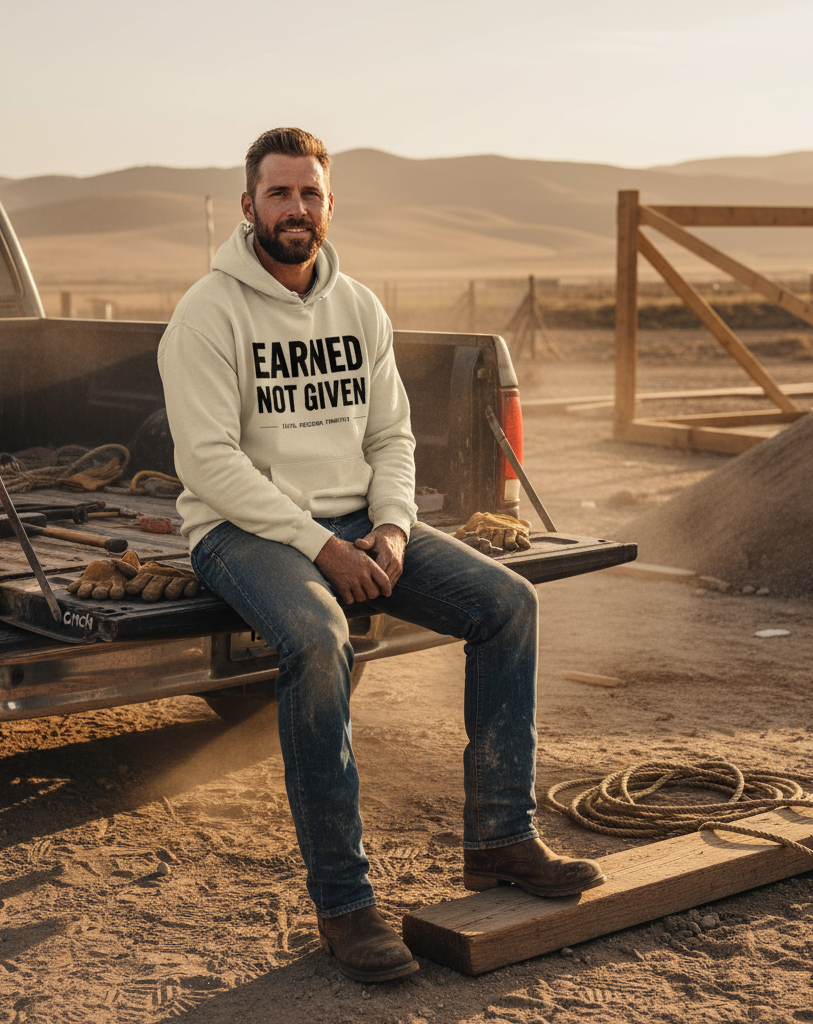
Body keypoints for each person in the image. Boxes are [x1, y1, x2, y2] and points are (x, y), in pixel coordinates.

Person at [157, 127, 605, 983]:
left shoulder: (358, 308)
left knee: (509, 605)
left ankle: (501, 839)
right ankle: (345, 904)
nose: (296, 208)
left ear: (330, 205)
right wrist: (322, 547)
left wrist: (392, 529)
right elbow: (209, 464)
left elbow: (392, 438)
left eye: (310, 193)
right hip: (240, 530)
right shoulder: (206, 314)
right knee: (318, 639)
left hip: (360, 519)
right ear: (249, 205)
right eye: (279, 193)